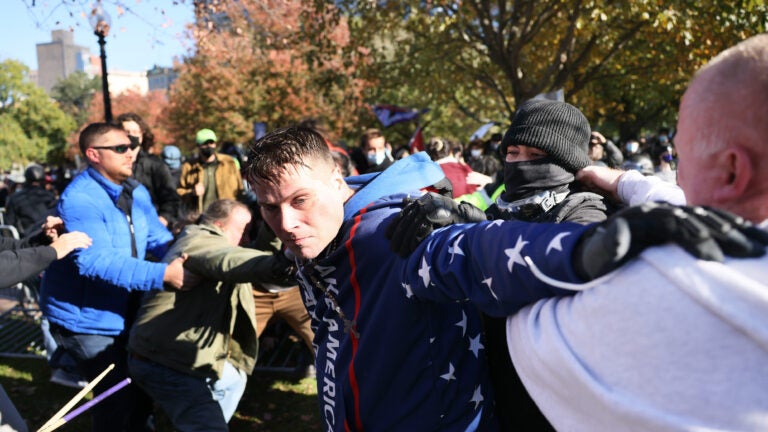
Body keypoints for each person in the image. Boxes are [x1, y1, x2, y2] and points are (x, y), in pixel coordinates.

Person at [243, 126, 748, 431]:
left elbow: (480, 252)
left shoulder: (388, 234)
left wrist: (592, 248)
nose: (286, 223)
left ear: (336, 180)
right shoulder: (315, 240)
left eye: (300, 201)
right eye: (269, 208)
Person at [420, 34, 768, 431]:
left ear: (732, 171)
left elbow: (521, 299)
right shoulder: (718, 236)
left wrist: (464, 236)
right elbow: (677, 200)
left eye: (681, 157)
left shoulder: (651, 272)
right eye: (512, 154)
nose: (675, 173)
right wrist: (626, 182)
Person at [39, 122, 193, 432]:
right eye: (121, 148)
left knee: (138, 391)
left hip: (125, 311)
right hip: (87, 321)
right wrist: (165, 273)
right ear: (93, 154)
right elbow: (96, 262)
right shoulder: (80, 200)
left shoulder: (136, 190)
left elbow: (158, 239)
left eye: (133, 145)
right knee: (115, 399)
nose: (131, 153)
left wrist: (189, 254)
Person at [128, 199, 297, 431]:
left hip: (177, 355)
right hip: (165, 362)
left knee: (234, 377)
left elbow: (253, 255)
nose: (246, 239)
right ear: (219, 225)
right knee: (209, 426)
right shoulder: (200, 242)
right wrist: (288, 263)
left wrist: (272, 223)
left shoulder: (207, 240)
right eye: (243, 231)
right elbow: (232, 261)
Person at [116, 112, 181, 228]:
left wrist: (163, 219)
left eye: (135, 132)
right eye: (126, 132)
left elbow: (171, 199)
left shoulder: (155, 165)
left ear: (142, 135)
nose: (131, 135)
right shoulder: (111, 164)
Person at [177, 128, 244, 214]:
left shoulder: (229, 162)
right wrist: (192, 192)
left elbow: (240, 188)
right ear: (198, 146)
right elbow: (180, 191)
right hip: (201, 215)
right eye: (205, 144)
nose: (209, 146)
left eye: (211, 143)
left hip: (226, 214)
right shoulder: (188, 166)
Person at [3, 164, 58, 237]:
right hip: (49, 236)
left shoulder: (15, 198)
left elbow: (9, 223)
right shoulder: (50, 196)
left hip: (27, 240)